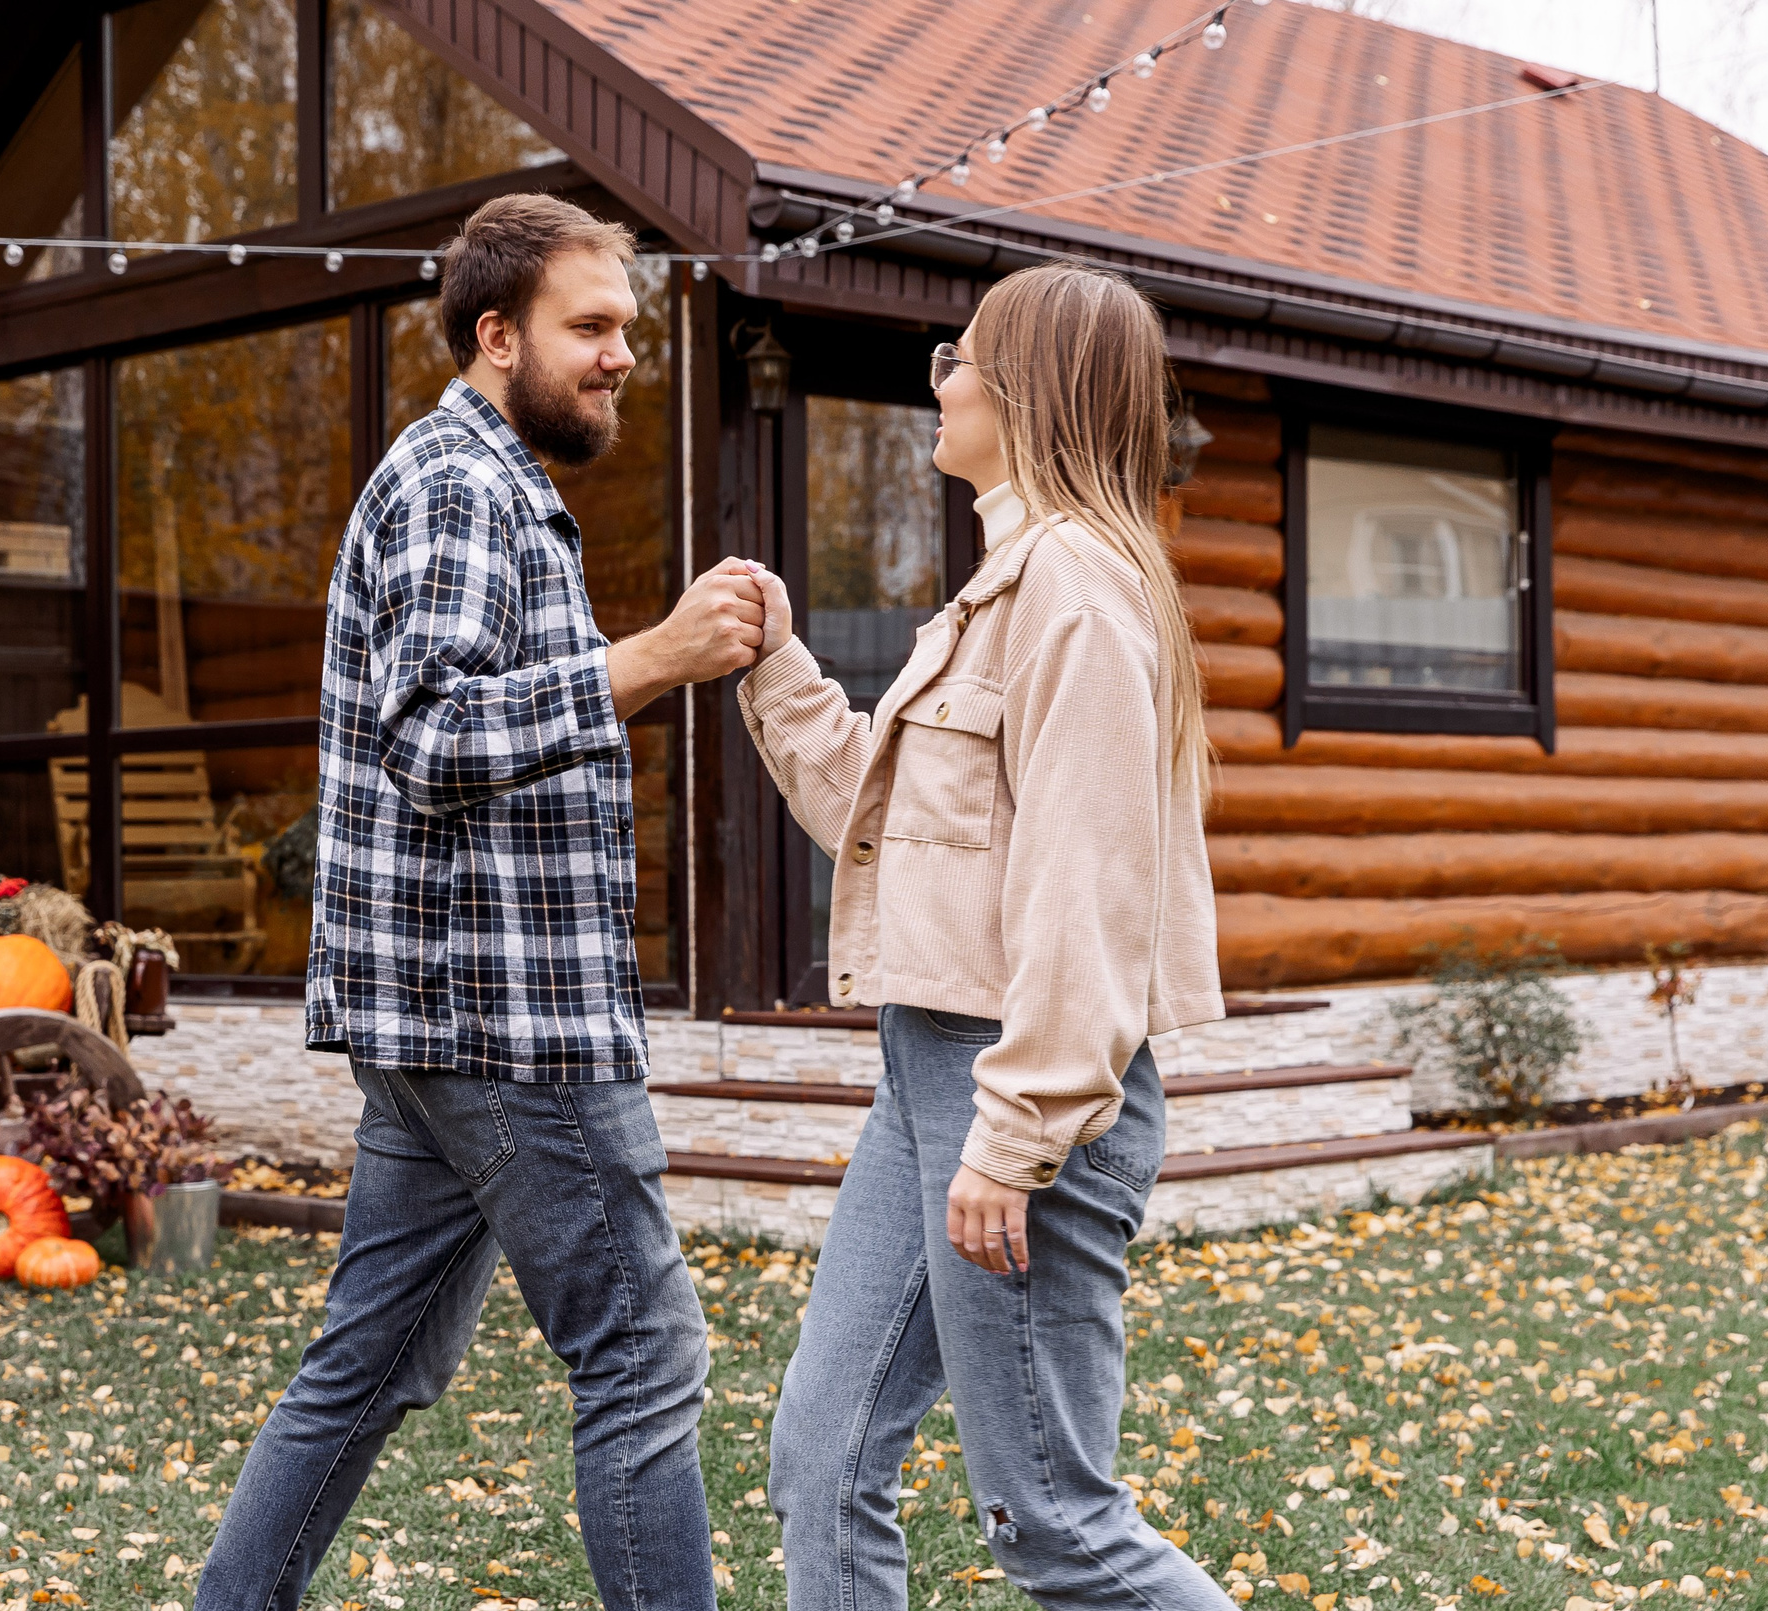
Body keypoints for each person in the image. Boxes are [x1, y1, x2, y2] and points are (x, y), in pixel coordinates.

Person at [195, 193, 761, 1611]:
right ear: (497, 335)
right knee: (642, 1354)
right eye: (592, 326)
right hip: (504, 1023)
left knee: (368, 1363)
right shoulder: (459, 487)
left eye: (626, 326)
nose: (622, 354)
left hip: (441, 1017)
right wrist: (655, 656)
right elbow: (433, 736)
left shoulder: (485, 481)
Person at [740, 261, 1235, 1611]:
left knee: (1055, 1523)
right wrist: (778, 664)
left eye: (957, 359)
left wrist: (1015, 1138)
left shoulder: (1075, 590)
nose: (941, 382)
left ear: (1024, 388)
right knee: (823, 1455)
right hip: (930, 1078)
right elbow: (887, 827)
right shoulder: (1008, 586)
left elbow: (1089, 896)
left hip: (1020, 1092)